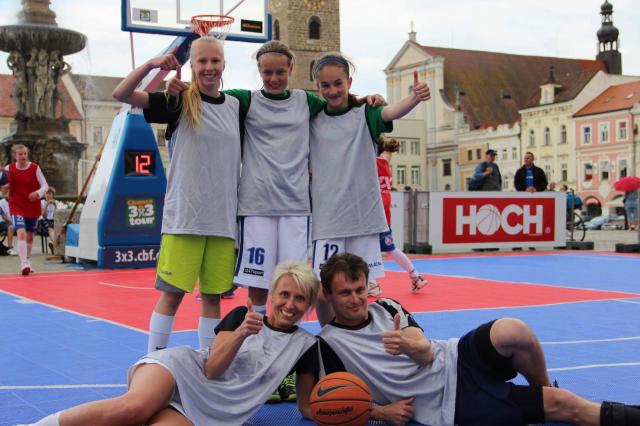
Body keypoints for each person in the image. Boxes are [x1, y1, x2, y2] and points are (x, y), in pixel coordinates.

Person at [305, 252, 640, 426]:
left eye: (360, 289)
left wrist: (410, 345)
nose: (355, 298)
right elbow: (325, 405)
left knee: (514, 329)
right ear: (329, 296)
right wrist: (382, 412)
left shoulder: (387, 308)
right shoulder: (328, 344)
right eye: (344, 293)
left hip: (455, 357)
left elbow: (424, 353)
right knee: (568, 406)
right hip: (450, 403)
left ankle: (543, 388)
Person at [24, 260, 320, 426]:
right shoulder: (243, 316)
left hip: (214, 412)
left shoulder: (305, 345)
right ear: (271, 296)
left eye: (300, 298)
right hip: (181, 371)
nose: (289, 304)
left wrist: (363, 411)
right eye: (284, 294)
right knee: (133, 408)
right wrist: (242, 332)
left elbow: (307, 407)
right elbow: (213, 370)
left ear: (308, 305)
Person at [112, 36, 242, 353]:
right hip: (185, 218)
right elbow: (122, 94)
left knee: (212, 298)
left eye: (215, 61)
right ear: (192, 65)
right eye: (202, 61)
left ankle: (210, 363)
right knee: (172, 294)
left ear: (224, 64)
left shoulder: (237, 106)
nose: (209, 67)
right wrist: (151, 65)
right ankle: (152, 361)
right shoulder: (178, 102)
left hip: (223, 221)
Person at [308, 52, 431, 298]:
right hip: (328, 218)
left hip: (363, 217)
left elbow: (391, 113)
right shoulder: (312, 114)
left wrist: (414, 98)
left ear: (349, 82)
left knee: (359, 289)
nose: (332, 90)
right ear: (317, 86)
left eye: (338, 83)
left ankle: (360, 336)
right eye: (325, 85)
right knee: (324, 289)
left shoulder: (365, 112)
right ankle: (330, 335)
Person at [375, 134, 427, 293]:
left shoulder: (374, 162)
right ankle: (415, 276)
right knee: (389, 248)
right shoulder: (385, 161)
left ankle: (370, 283)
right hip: (384, 208)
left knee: (364, 247)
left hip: (376, 209)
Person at [4, 144, 49, 275]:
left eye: (24, 153)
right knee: (21, 232)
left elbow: (45, 186)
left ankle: (27, 260)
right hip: (16, 205)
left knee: (30, 236)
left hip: (32, 205)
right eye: (20, 154)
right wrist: (4, 186)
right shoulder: (9, 169)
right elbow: (5, 187)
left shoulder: (35, 168)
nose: (23, 156)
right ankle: (23, 263)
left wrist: (38, 193)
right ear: (15, 156)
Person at [40, 187, 57, 254]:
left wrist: (55, 206)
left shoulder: (56, 202)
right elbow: (44, 215)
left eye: (50, 193)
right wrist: (46, 205)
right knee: (50, 229)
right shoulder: (42, 202)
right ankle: (55, 245)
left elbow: (57, 216)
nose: (48, 195)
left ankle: (53, 244)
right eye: (47, 193)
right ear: (44, 195)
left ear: (53, 195)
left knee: (60, 228)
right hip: (44, 220)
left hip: (53, 220)